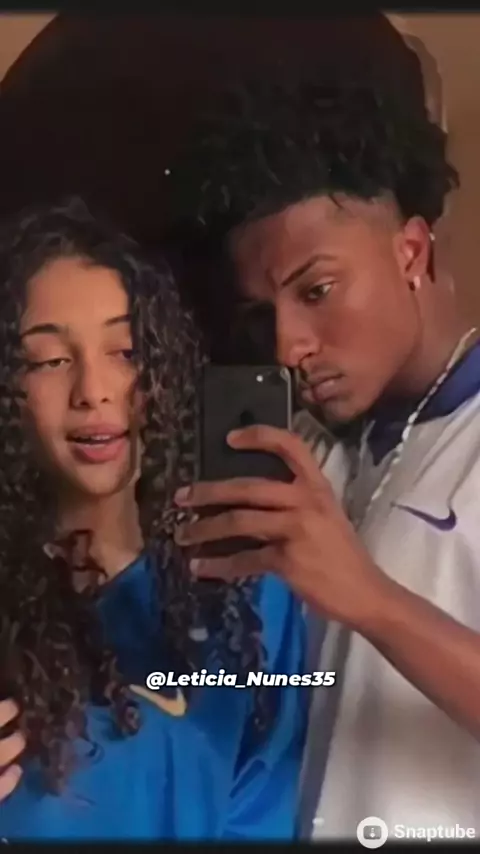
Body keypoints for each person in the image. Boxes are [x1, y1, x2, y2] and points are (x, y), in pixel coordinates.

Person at [169, 80, 480, 839]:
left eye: (317, 290)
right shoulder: (303, 450)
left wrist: (369, 597)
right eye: (265, 312)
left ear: (410, 251)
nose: (288, 346)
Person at [0, 197, 305, 841]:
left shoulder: (248, 589)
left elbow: (262, 812)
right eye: (50, 360)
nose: (93, 390)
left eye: (125, 351)